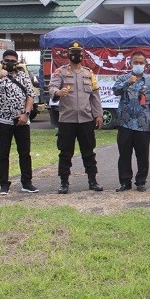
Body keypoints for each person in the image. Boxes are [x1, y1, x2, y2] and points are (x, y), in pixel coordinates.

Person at [48, 41, 104, 194]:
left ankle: (93, 180)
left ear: (83, 54)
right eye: (73, 52)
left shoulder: (88, 73)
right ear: (68, 54)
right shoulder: (60, 72)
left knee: (89, 152)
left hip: (86, 119)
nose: (76, 55)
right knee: (65, 152)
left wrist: (98, 114)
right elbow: (52, 88)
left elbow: (95, 96)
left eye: (79, 52)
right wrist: (58, 93)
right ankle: (64, 182)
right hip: (67, 120)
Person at [0, 49, 37, 195]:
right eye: (7, 61)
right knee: (3, 153)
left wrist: (26, 114)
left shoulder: (24, 77)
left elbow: (30, 96)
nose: (10, 63)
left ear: (17, 63)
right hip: (3, 120)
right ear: (2, 62)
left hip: (21, 120)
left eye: (13, 61)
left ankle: (27, 183)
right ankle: (4, 184)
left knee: (25, 153)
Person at [112, 51, 150, 192]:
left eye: (141, 63)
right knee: (124, 154)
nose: (138, 65)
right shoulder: (123, 79)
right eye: (135, 62)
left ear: (145, 65)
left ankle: (141, 181)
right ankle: (125, 182)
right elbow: (115, 91)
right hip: (125, 122)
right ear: (130, 64)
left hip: (143, 123)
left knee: (142, 154)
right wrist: (127, 83)